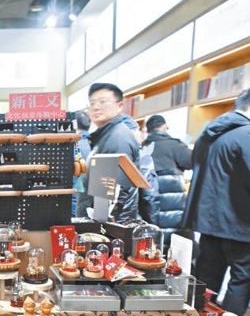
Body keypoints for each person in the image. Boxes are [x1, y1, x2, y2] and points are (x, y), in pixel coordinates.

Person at [182, 89, 250, 315]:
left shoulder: (209, 134)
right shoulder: (246, 134)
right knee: (241, 280)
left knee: (206, 279)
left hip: (209, 222)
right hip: (241, 224)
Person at [77, 83, 140, 223]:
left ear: (120, 106)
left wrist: (104, 224)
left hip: (110, 224)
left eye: (102, 101)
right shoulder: (105, 136)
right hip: (100, 219)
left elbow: (118, 191)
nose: (96, 107)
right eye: (92, 103)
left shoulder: (118, 138)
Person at [141, 115, 192, 247]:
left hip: (148, 205)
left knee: (153, 241)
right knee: (173, 244)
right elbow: (191, 162)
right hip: (172, 205)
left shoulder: (142, 147)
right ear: (164, 126)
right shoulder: (175, 145)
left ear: (148, 130)